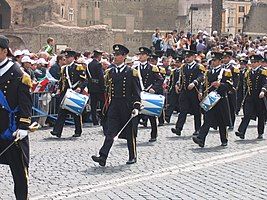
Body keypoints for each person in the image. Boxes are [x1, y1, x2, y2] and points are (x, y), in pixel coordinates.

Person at [91, 44, 141, 166]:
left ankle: (132, 156)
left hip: (127, 105)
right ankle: (103, 156)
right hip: (114, 105)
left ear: (124, 56)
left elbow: (137, 92)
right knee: (110, 132)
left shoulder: (131, 72)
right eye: (114, 54)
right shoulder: (110, 72)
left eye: (118, 55)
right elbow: (107, 90)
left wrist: (136, 106)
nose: (115, 57)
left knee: (129, 132)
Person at [0, 35, 32, 200]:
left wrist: (24, 126)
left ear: (4, 51)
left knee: (19, 172)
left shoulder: (19, 74)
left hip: (12, 130)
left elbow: (26, 103)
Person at [192, 52, 233, 147]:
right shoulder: (208, 72)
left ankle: (224, 139)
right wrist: (201, 92)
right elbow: (203, 84)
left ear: (219, 61)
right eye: (212, 61)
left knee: (222, 121)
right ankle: (201, 139)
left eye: (214, 60)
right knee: (207, 119)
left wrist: (220, 85)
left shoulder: (225, 72)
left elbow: (230, 85)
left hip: (220, 99)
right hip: (210, 99)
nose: (212, 62)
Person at [50, 50, 86, 138]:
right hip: (65, 92)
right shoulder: (63, 68)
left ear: (73, 58)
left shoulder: (79, 67)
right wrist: (59, 89)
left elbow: (84, 80)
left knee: (76, 113)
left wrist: (80, 87)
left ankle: (78, 131)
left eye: (68, 57)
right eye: (65, 57)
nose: (66, 59)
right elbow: (62, 81)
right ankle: (57, 131)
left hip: (74, 92)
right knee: (61, 112)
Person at [171, 50, 205, 136]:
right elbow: (180, 78)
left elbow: (201, 77)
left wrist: (194, 82)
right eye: (186, 57)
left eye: (189, 57)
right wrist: (177, 84)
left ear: (193, 57)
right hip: (185, 91)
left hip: (194, 91)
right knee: (183, 110)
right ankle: (178, 128)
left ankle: (197, 129)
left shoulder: (198, 66)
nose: (187, 58)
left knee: (196, 111)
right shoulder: (183, 67)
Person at [133, 47, 163, 142]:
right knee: (135, 115)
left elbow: (160, 80)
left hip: (148, 94)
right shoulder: (135, 68)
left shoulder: (152, 68)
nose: (140, 56)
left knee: (151, 116)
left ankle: (153, 134)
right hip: (138, 94)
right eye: (140, 54)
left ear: (147, 56)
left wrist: (153, 88)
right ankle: (133, 135)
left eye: (142, 54)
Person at [235, 55, 267, 140]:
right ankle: (241, 131)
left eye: (254, 62)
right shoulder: (248, 72)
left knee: (261, 115)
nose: (252, 64)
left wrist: (263, 91)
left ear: (259, 63)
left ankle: (260, 132)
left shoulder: (263, 72)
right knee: (247, 114)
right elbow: (245, 85)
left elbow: (265, 83)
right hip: (250, 97)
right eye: (251, 62)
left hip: (259, 97)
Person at [222, 51, 240, 130]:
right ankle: (225, 122)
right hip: (223, 89)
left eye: (226, 58)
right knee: (224, 107)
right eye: (224, 58)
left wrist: (233, 88)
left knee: (231, 107)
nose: (224, 59)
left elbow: (236, 79)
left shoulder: (233, 67)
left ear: (230, 58)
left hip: (230, 90)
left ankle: (231, 123)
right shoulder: (222, 67)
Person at [86, 50, 105, 125]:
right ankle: (103, 119)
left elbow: (87, 76)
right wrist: (103, 87)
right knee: (103, 104)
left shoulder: (89, 64)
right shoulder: (98, 65)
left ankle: (95, 120)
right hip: (99, 88)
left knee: (93, 105)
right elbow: (101, 77)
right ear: (99, 56)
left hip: (91, 87)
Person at [165, 56, 183, 123]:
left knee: (181, 104)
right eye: (176, 62)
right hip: (173, 89)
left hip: (180, 89)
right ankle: (167, 116)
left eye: (178, 62)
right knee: (172, 103)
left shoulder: (182, 70)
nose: (176, 64)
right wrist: (168, 87)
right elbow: (171, 80)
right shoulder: (174, 71)